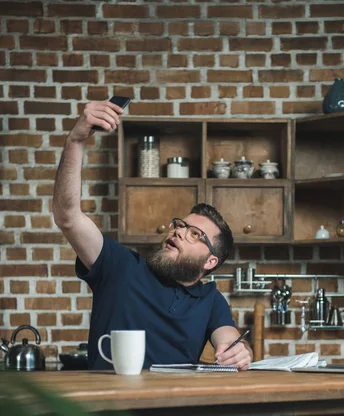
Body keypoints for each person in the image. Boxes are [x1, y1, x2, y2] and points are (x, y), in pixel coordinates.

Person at [52, 100, 253, 371]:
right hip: (107, 407)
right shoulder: (120, 266)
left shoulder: (210, 299)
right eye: (180, 225)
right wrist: (75, 140)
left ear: (210, 262)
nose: (179, 232)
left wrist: (239, 352)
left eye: (195, 234)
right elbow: (68, 216)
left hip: (172, 409)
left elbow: (228, 338)